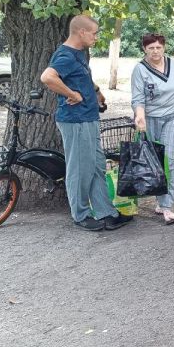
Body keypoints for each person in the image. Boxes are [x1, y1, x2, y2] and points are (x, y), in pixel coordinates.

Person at [40, 15, 132, 231]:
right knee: (80, 169)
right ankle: (80, 215)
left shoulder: (77, 54)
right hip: (76, 121)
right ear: (81, 32)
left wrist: (97, 92)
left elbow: (81, 77)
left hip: (88, 118)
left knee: (97, 166)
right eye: (94, 33)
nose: (96, 37)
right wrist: (72, 93)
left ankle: (106, 213)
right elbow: (47, 77)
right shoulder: (65, 55)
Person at [131, 33, 174, 225]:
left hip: (172, 116)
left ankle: (166, 205)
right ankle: (152, 197)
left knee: (170, 158)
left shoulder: (173, 64)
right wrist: (140, 116)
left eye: (158, 47)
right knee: (153, 160)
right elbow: (138, 97)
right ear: (144, 49)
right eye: (151, 48)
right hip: (150, 117)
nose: (155, 51)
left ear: (164, 47)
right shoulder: (140, 69)